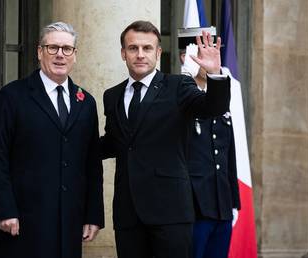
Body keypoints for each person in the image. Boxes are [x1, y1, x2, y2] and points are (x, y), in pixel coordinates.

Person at [100, 20, 231, 258]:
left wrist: (214, 74)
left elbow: (212, 107)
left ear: (158, 53)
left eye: (147, 48)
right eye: (133, 48)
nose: (140, 54)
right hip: (128, 214)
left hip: (170, 213)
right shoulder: (112, 95)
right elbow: (115, 142)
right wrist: (69, 143)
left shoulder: (178, 85)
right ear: (123, 53)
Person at [0, 21, 104, 258]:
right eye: (53, 48)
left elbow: (92, 163)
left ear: (75, 55)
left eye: (66, 49)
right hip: (23, 222)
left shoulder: (86, 102)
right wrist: (5, 209)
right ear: (40, 52)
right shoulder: (12, 96)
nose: (60, 55)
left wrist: (93, 215)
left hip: (69, 223)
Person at [182, 44, 240, 258]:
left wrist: (233, 201)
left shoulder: (222, 101)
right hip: (194, 205)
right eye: (200, 55)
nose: (207, 61)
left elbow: (228, 156)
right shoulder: (181, 100)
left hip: (221, 203)